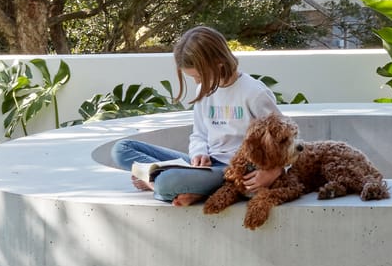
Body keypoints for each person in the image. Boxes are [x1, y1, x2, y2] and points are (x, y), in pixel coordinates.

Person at [110, 26, 281, 206]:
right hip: (207, 165)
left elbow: (286, 138)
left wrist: (274, 171)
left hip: (235, 169)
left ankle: (162, 185)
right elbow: (199, 134)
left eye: (198, 76)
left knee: (167, 182)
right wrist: (199, 152)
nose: (197, 82)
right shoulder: (204, 90)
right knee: (122, 148)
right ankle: (187, 187)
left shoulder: (254, 92)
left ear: (218, 62)